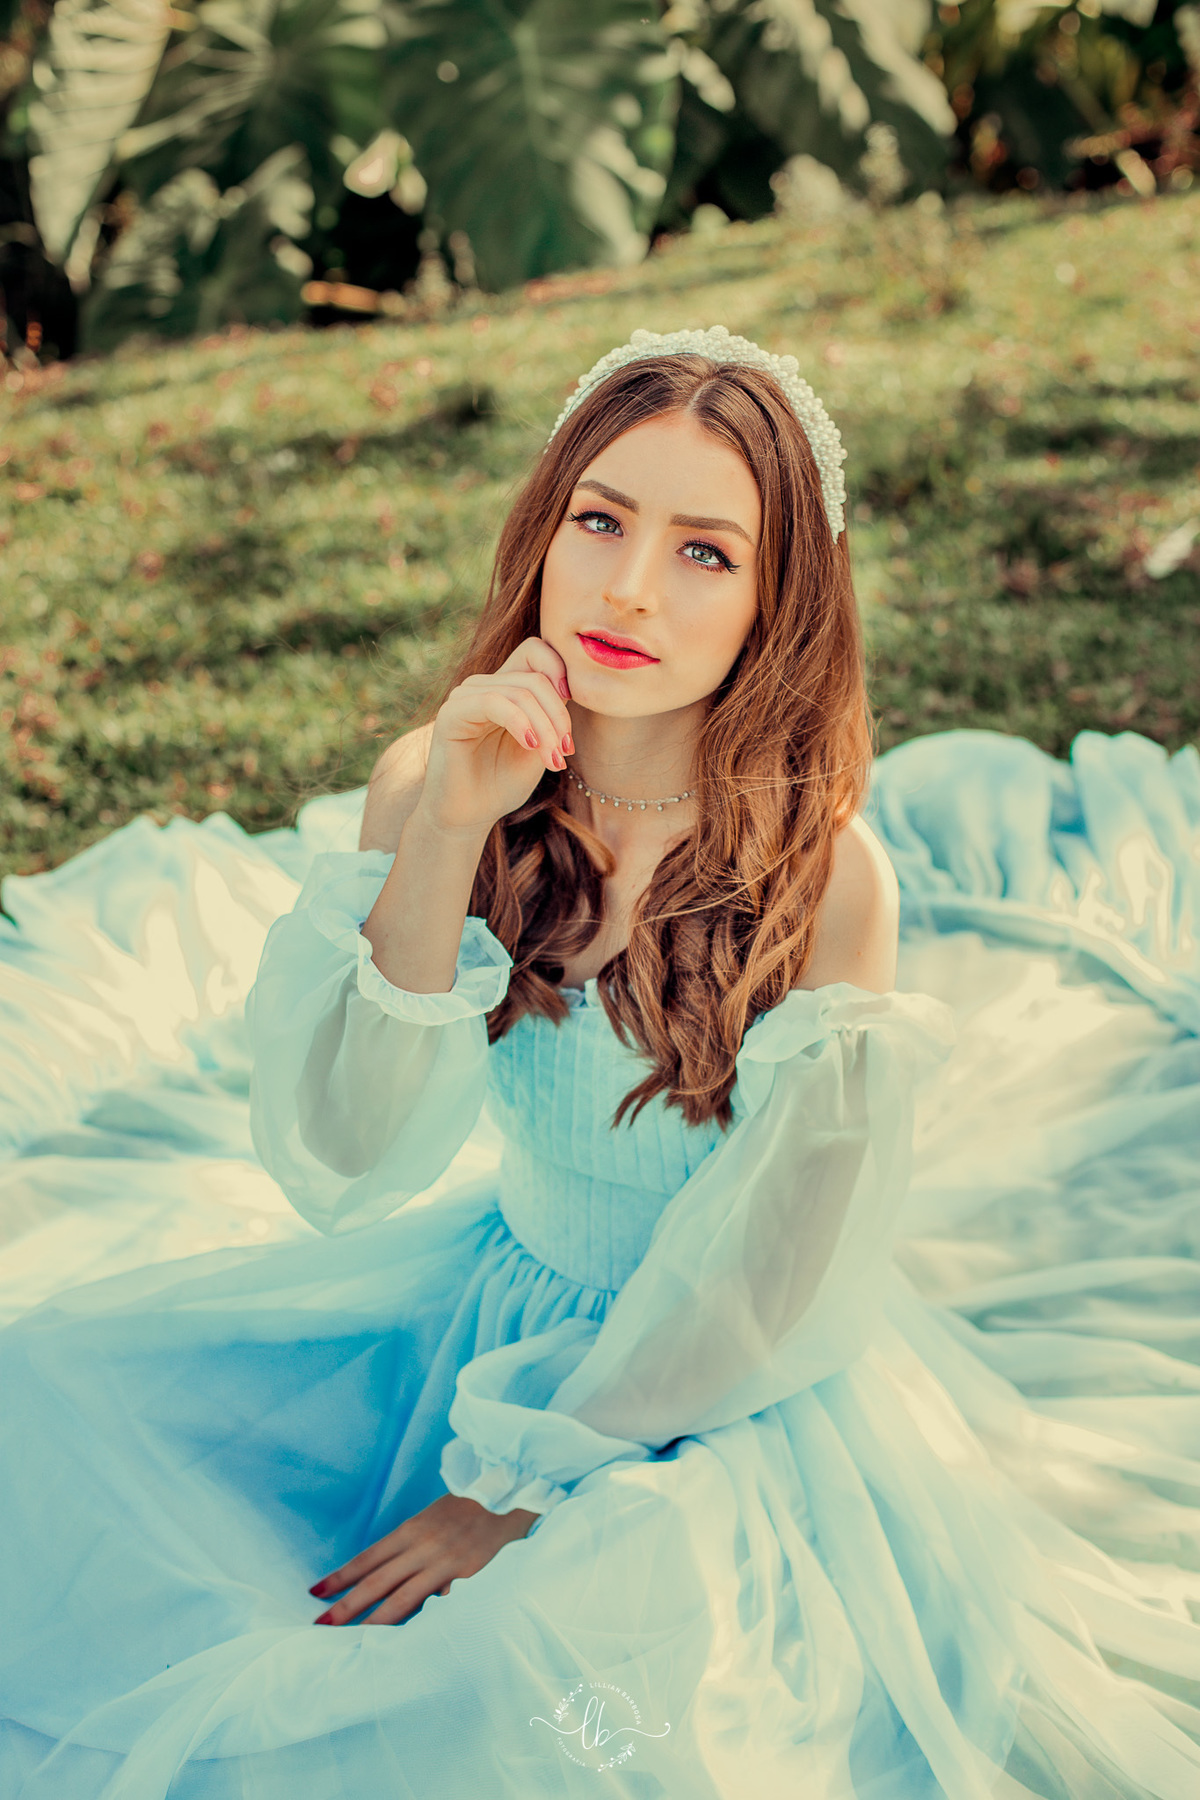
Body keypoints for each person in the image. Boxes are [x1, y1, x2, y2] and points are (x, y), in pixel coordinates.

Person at [0, 326, 1198, 1800]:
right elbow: (352, 1149)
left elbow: (774, 1278)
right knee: (43, 1395)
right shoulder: (435, 782)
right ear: (544, 532)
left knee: (547, 1693)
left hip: (709, 1386)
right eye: (601, 520)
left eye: (705, 552)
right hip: (484, 1311)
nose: (630, 588)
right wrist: (452, 824)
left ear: (775, 602)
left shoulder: (828, 882)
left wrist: (518, 1491)